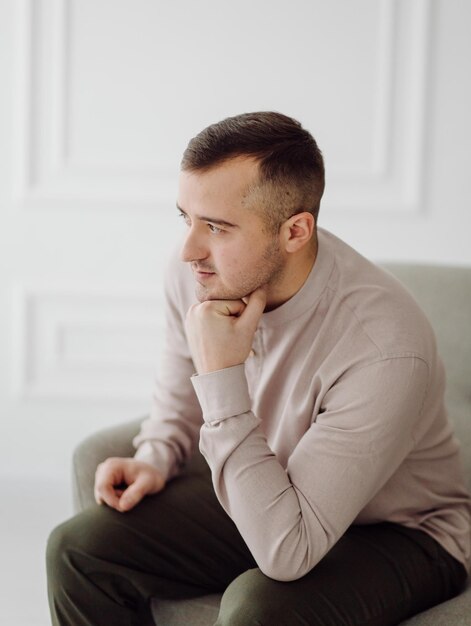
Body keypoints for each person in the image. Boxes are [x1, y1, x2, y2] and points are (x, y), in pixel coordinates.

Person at [47, 111, 470, 626]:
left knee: (260, 610)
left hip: (404, 532)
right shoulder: (201, 273)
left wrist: (224, 375)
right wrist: (156, 454)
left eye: (217, 227)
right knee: (77, 548)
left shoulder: (385, 347)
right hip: (273, 485)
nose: (189, 250)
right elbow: (180, 380)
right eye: (186, 217)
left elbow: (286, 553)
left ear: (295, 230)